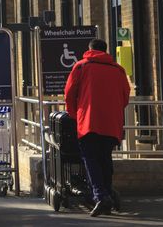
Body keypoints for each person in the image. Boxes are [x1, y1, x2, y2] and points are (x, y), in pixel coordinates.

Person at [64, 39, 131, 217]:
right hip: (111, 123)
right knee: (105, 159)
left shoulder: (81, 67)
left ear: (90, 49)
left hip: (88, 122)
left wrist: (74, 114)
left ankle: (100, 196)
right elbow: (125, 97)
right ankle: (106, 194)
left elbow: (69, 94)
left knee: (90, 159)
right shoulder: (118, 70)